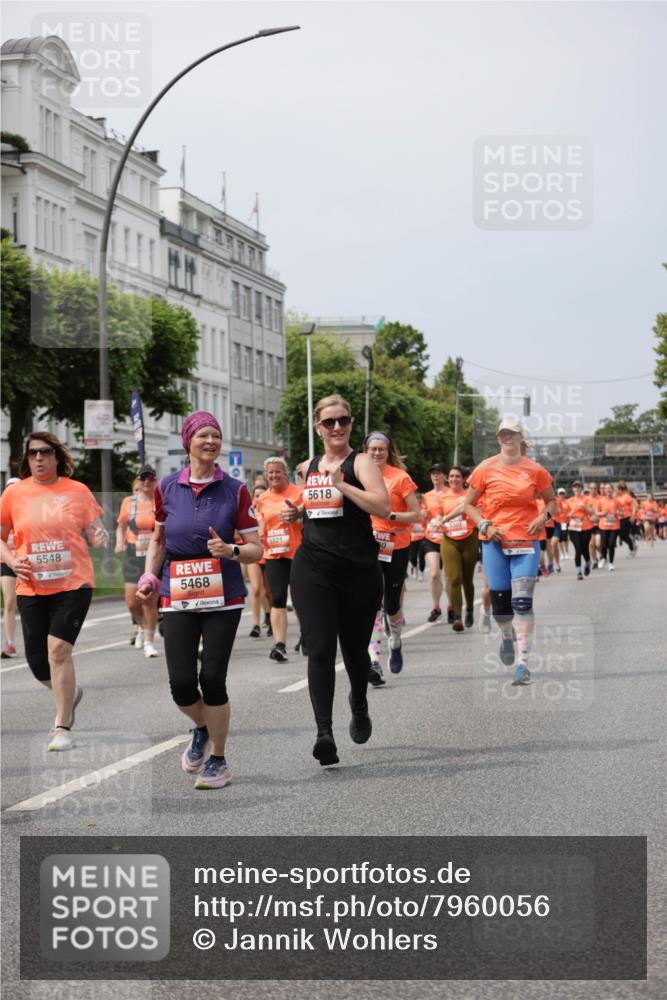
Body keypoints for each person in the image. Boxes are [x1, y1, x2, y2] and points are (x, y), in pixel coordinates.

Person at [137, 412, 262, 790]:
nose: (211, 442)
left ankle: (219, 760)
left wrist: (231, 550)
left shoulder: (235, 490)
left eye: (216, 436)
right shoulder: (167, 487)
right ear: (188, 441)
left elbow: (256, 549)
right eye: (203, 435)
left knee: (212, 678)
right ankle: (202, 728)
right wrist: (150, 576)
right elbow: (158, 540)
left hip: (223, 595)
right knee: (180, 684)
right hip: (178, 594)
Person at [288, 395, 390, 766]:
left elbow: (383, 506)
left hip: (358, 570)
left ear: (350, 424)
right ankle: (324, 733)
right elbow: (317, 508)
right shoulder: (306, 467)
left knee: (354, 651)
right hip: (313, 567)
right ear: (317, 427)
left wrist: (342, 484)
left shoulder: (361, 462)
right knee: (319, 649)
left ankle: (359, 704)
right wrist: (296, 512)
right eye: (329, 422)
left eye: (343, 421)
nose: (336, 428)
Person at [0, 433, 107, 750]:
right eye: (32, 454)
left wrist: (100, 537)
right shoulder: (14, 494)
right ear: (27, 458)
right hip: (31, 585)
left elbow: (96, 531)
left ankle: (62, 725)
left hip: (73, 583)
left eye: (45, 452)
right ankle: (68, 694)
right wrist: (11, 559)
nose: (38, 459)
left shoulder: (77, 491)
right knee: (37, 661)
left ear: (57, 457)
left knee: (58, 650)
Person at [461, 418, 556, 685]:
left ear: (520, 436)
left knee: (523, 603)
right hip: (494, 542)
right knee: (501, 608)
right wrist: (483, 524)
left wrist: (543, 518)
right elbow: (468, 504)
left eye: (512, 433)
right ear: (498, 437)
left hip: (527, 541)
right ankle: (506, 635)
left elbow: (551, 501)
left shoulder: (534, 469)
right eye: (503, 433)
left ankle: (523, 665)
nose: (508, 437)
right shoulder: (485, 468)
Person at [364, 431, 421, 680]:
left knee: (392, 605)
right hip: (368, 545)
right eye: (372, 449)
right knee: (372, 603)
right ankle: (374, 660)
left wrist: (392, 516)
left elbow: (417, 515)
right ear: (365, 451)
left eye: (381, 449)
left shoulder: (400, 478)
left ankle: (395, 640)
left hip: (396, 545)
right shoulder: (358, 476)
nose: (376, 453)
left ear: (389, 452)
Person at [253, 456, 303, 662]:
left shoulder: (299, 493)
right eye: (270, 472)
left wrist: (297, 515)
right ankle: (280, 644)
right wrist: (260, 532)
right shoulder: (262, 499)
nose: (274, 475)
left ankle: (306, 635)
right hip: (274, 553)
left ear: (285, 473)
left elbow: (310, 520)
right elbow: (259, 523)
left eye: (277, 472)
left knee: (301, 599)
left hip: (299, 552)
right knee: (278, 598)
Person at [115, 466, 160, 657]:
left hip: (155, 554)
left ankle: (149, 641)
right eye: (143, 478)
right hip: (134, 554)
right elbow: (121, 526)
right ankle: (141, 626)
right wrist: (120, 541)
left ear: (155, 480)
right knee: (132, 602)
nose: (147, 482)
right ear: (138, 481)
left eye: (150, 478)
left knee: (149, 600)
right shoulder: (129, 502)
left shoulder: (160, 501)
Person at [439, 465, 478, 631]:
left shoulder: (470, 495)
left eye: (457, 476)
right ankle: (457, 617)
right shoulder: (443, 496)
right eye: (451, 476)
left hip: (469, 538)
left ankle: (469, 608)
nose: (454, 479)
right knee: (454, 578)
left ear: (463, 479)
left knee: (467, 580)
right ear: (448, 478)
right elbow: (438, 516)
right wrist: (437, 521)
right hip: (449, 540)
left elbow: (475, 511)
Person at [422, 463, 450, 622]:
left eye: (439, 473)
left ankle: (452, 605)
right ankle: (436, 606)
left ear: (445, 476)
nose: (435, 476)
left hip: (448, 537)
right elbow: (423, 518)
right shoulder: (426, 496)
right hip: (431, 537)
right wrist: (423, 515)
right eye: (433, 473)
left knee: (449, 575)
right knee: (434, 574)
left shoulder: (450, 494)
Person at [247, 483, 272, 638]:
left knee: (269, 592)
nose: (259, 498)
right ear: (253, 497)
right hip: (254, 554)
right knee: (256, 589)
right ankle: (256, 625)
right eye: (257, 495)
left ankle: (269, 616)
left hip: (270, 553)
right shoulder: (249, 512)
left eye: (263, 495)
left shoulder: (271, 510)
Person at [1, 477, 20, 657]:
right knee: (9, 602)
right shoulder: (2, 514)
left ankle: (42, 640)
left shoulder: (27, 512)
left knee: (30, 603)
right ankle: (10, 643)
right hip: (6, 562)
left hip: (26, 563)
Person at [565, 482, 596, 580]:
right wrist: (569, 514)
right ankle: (578, 572)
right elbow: (565, 514)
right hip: (574, 527)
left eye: (579, 487)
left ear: (581, 489)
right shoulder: (569, 501)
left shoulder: (586, 499)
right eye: (575, 487)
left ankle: (588, 562)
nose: (577, 489)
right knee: (578, 549)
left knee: (585, 548)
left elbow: (592, 512)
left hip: (585, 526)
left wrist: (585, 507)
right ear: (573, 489)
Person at [597, 482, 623, 571]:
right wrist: (603, 513)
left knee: (611, 544)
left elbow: (622, 512)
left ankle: (611, 563)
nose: (608, 490)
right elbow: (596, 512)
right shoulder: (600, 500)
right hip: (603, 526)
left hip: (614, 526)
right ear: (604, 490)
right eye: (606, 488)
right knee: (603, 545)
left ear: (612, 490)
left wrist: (617, 513)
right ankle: (603, 558)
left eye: (609, 488)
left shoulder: (617, 501)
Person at [408, 493, 426, 581]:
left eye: (420, 498)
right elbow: (408, 521)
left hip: (423, 536)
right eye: (417, 498)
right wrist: (412, 527)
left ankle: (421, 573)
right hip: (413, 536)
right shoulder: (410, 508)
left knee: (421, 556)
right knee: (412, 557)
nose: (418, 500)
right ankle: (414, 569)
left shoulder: (424, 508)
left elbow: (428, 520)